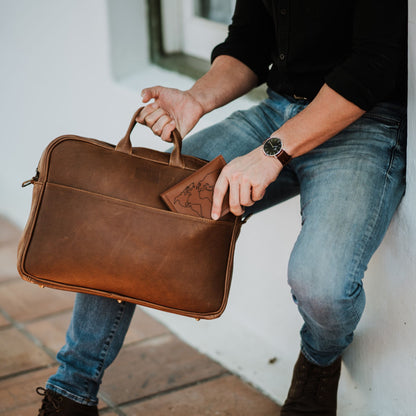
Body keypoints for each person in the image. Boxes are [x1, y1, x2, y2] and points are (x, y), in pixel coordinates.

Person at [37, 1, 407, 415]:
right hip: (276, 111)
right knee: (131, 212)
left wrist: (271, 153)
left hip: (361, 125)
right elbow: (248, 43)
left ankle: (319, 361)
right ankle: (70, 392)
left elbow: (376, 64)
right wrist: (195, 98)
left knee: (321, 286)